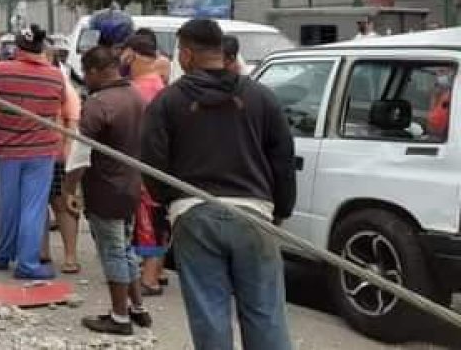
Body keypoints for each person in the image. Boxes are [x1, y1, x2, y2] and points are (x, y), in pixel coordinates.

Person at [141, 19, 296, 350]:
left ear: (186, 54)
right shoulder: (262, 97)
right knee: (266, 313)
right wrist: (281, 209)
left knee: (209, 314)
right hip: (254, 213)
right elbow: (283, 160)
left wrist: (169, 205)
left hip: (194, 215)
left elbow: (152, 166)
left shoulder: (168, 102)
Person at [63, 46, 151, 335]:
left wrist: (69, 190)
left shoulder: (99, 104)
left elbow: (79, 154)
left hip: (105, 188)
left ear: (96, 71)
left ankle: (120, 317)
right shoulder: (136, 97)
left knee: (112, 250)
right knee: (125, 248)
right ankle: (137, 308)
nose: (85, 79)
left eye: (87, 73)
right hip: (131, 185)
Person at [0, 25, 69, 280]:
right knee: (33, 208)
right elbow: (60, 103)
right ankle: (28, 264)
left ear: (18, 47)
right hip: (42, 150)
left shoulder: (0, 70)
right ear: (42, 47)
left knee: (9, 205)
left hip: (8, 149)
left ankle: (2, 256)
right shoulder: (56, 76)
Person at [121, 33, 169, 297]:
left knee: (146, 221)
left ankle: (149, 279)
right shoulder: (158, 84)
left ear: (132, 55)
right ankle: (156, 273)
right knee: (157, 218)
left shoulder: (138, 89)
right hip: (158, 163)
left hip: (141, 164)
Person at [40, 44, 82, 274]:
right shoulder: (43, 83)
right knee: (39, 206)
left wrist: (67, 157)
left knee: (63, 206)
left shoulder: (63, 86)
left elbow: (72, 124)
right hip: (38, 153)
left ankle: (70, 256)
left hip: (58, 156)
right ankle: (42, 251)